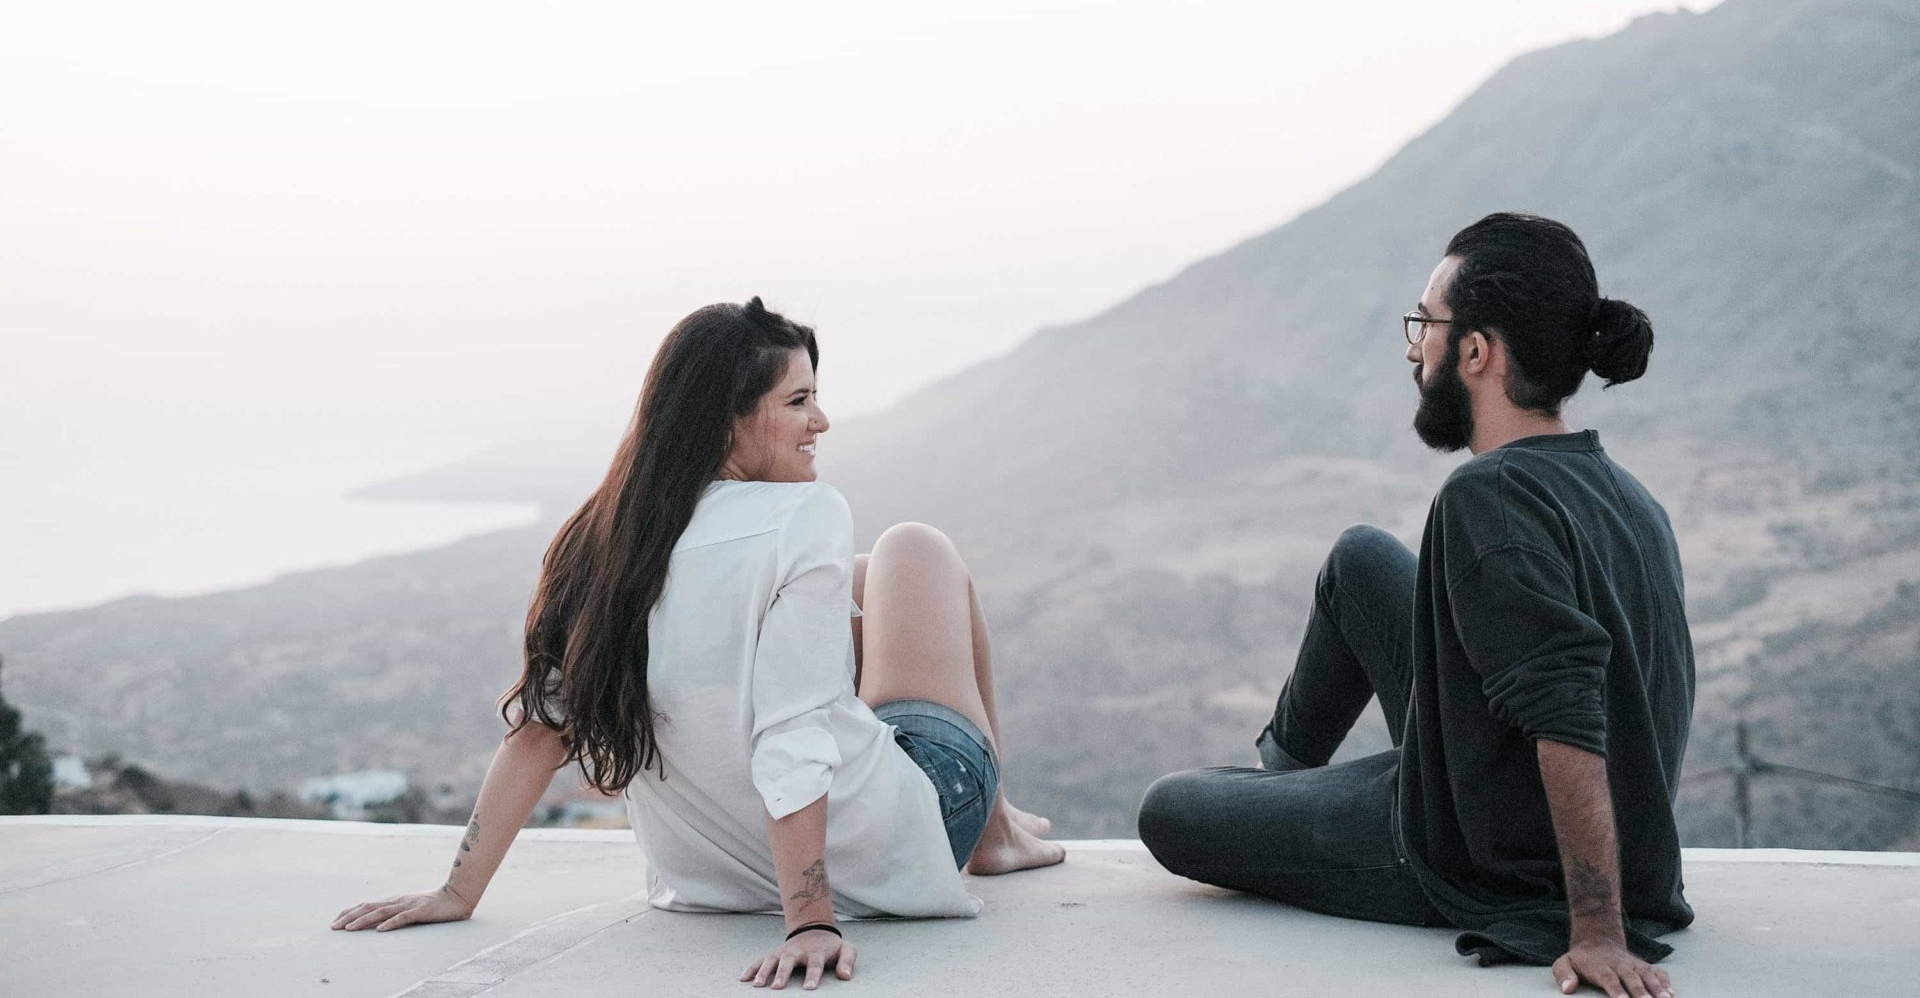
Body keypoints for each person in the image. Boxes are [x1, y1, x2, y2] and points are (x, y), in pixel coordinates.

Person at [332, 298, 1062, 990]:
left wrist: (458, 890)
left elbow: (540, 730)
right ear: (725, 421)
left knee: (863, 578)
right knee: (913, 550)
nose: (822, 421)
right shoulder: (802, 516)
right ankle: (992, 831)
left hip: (716, 881)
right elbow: (792, 733)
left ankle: (999, 823)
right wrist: (810, 922)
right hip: (906, 843)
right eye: (797, 401)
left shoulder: (605, 539)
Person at [1137, 213, 1694, 998]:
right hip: (1517, 799)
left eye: (1424, 324)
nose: (1412, 347)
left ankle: (1286, 803)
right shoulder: (1621, 489)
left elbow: (1569, 715)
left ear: (1475, 351)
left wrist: (1597, 929)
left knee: (1170, 809)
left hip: (1480, 857)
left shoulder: (1488, 496)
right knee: (1360, 558)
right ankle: (1284, 776)